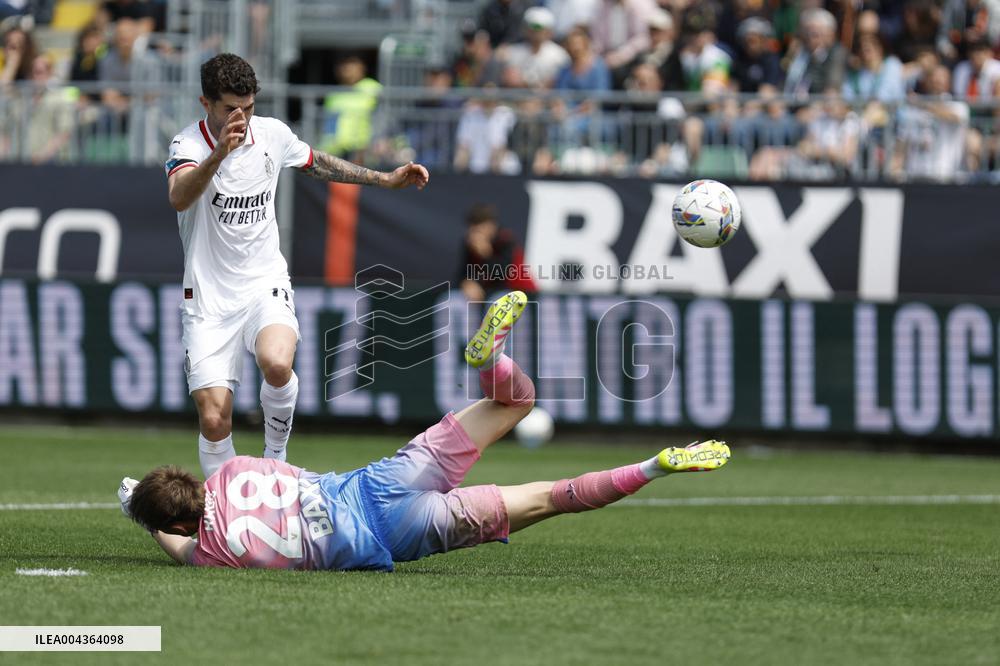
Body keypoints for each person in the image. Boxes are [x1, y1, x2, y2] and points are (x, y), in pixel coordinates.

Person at [118, 291, 731, 571]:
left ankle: (654, 466)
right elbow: (271, 470)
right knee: (518, 400)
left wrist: (138, 516)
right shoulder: (233, 471)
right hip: (379, 482)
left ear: (175, 521)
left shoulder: (211, 553)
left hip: (399, 534)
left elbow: (177, 545)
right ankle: (488, 359)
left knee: (551, 497)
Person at [164, 53, 429, 479]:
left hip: (263, 282)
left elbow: (319, 163)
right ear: (206, 103)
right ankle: (229, 514)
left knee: (277, 362)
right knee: (215, 419)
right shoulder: (187, 145)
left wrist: (384, 178)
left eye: (248, 107)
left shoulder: (271, 134)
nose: (242, 117)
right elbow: (179, 196)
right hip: (208, 299)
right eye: (231, 108)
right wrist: (219, 154)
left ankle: (275, 460)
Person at [458, 204, 536, 301]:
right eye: (473, 228)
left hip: (522, 295)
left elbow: (504, 273)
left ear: (492, 226)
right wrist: (466, 283)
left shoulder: (505, 240)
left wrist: (485, 254)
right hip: (491, 298)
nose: (476, 233)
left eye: (480, 227)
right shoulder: (470, 245)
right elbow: (464, 273)